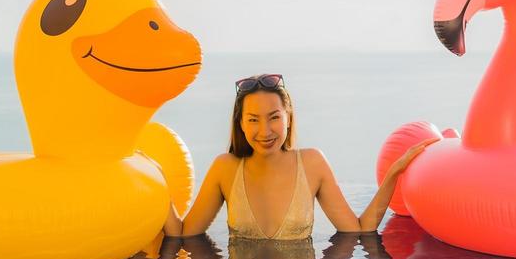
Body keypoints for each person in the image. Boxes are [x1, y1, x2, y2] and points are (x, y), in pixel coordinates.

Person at [165, 73, 435, 239]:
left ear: (288, 117)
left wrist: (395, 172)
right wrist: (154, 177)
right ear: (241, 124)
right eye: (253, 120)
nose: (264, 131)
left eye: (274, 118)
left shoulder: (312, 164)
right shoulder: (225, 169)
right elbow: (182, 234)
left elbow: (359, 229)